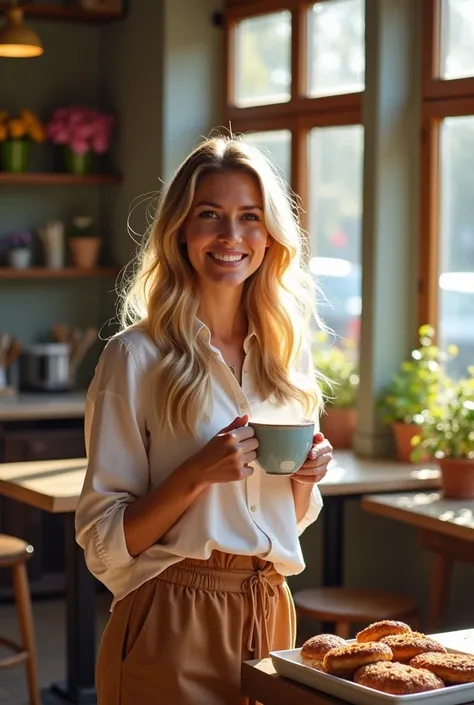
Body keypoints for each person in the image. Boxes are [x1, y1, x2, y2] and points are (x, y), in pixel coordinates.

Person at [75, 135, 333, 705]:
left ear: (270, 235)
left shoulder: (286, 357)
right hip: (170, 615)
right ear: (180, 231)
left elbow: (278, 521)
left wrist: (302, 477)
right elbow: (103, 542)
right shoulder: (135, 357)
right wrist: (195, 474)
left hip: (269, 611)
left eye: (249, 218)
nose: (231, 237)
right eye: (209, 215)